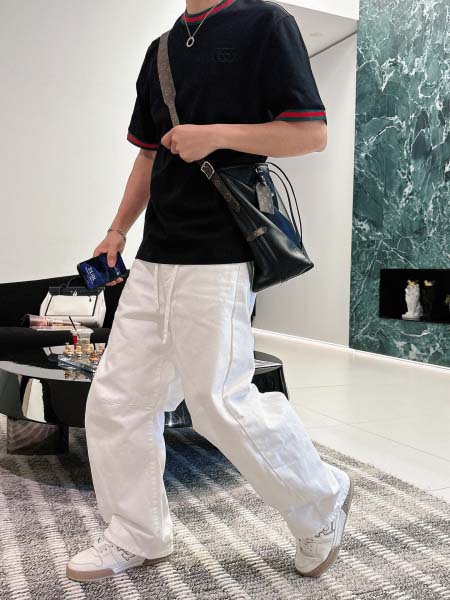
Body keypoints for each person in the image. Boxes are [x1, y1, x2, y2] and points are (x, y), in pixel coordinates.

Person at [66, 0, 354, 583]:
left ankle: (322, 500)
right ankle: (137, 530)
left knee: (220, 402)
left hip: (220, 251)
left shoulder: (266, 23)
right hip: (155, 254)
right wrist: (117, 230)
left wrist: (215, 136)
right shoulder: (160, 51)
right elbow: (148, 154)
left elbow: (311, 133)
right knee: (117, 398)